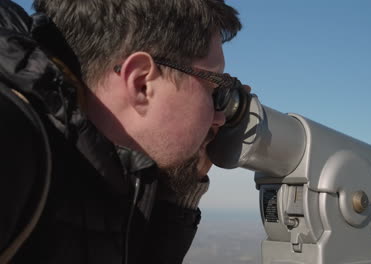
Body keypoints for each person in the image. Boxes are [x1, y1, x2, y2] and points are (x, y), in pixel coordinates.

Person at [0, 0, 243, 263]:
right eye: (214, 88)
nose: (219, 117)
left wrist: (181, 189)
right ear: (141, 84)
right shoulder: (12, 136)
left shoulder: (99, 163)